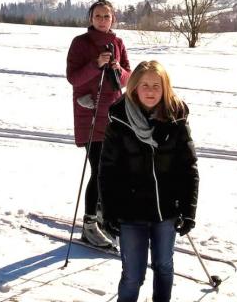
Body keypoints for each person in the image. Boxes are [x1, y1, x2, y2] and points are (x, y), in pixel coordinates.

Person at [99, 60, 199, 302]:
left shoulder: (176, 119)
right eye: (145, 85)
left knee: (164, 266)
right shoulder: (119, 121)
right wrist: (109, 212)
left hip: (166, 210)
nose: (151, 91)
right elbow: (107, 171)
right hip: (130, 212)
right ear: (134, 87)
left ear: (165, 87)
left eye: (157, 85)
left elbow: (189, 168)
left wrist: (189, 210)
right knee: (133, 274)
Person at [66, 0, 131, 247]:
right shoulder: (80, 44)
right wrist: (96, 65)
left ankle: (105, 217)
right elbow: (73, 77)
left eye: (107, 16)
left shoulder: (118, 42)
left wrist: (116, 68)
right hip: (89, 113)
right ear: (90, 19)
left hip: (114, 113)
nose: (103, 20)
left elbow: (126, 78)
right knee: (99, 169)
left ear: (113, 19)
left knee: (112, 170)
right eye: (98, 16)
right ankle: (90, 224)